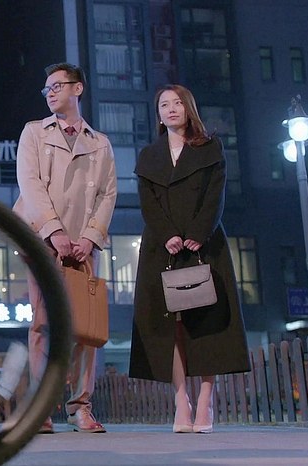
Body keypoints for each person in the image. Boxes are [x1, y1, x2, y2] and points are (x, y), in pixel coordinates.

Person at [128, 84, 249, 434]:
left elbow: (215, 194)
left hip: (203, 244)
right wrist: (167, 234)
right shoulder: (149, 155)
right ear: (158, 114)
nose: (170, 109)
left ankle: (206, 401)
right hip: (161, 247)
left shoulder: (210, 148)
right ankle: (182, 401)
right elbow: (147, 201)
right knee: (171, 326)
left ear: (188, 107)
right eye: (164, 104)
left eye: (177, 103)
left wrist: (199, 231)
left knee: (207, 322)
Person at [13, 62, 117, 434]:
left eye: (58, 85)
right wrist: (54, 231)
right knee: (43, 323)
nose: (51, 93)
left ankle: (80, 407)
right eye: (47, 89)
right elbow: (29, 183)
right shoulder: (34, 132)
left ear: (78, 88)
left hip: (83, 245)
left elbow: (108, 194)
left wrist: (89, 238)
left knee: (85, 328)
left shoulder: (99, 142)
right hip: (42, 240)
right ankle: (42, 407)